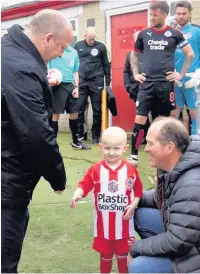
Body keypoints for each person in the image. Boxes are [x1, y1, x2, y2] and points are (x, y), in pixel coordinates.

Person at [1, 9, 73, 273]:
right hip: (6, 179)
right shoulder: (21, 67)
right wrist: (57, 177)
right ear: (48, 38)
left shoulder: (7, 50)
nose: (62, 54)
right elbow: (34, 133)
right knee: (4, 261)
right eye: (62, 47)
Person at [128, 117, 200, 273]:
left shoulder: (191, 184)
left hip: (194, 252)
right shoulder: (174, 164)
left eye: (151, 143)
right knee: (140, 213)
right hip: (189, 239)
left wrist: (135, 248)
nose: (146, 148)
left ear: (169, 148)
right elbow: (162, 197)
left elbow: (178, 241)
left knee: (139, 267)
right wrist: (133, 198)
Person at [128, 0, 194, 165]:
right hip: (147, 84)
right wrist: (136, 73)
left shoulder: (175, 34)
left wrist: (180, 74)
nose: (151, 18)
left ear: (164, 15)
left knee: (162, 122)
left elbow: (190, 54)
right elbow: (134, 55)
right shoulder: (144, 34)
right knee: (140, 118)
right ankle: (134, 154)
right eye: (150, 14)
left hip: (165, 85)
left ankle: (163, 156)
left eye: (155, 15)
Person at [70, 127, 143, 273]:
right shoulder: (95, 169)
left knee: (124, 258)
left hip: (124, 228)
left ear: (125, 148)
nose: (111, 152)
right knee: (105, 257)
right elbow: (84, 184)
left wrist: (134, 204)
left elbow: (138, 190)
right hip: (103, 229)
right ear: (100, 147)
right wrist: (77, 194)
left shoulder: (130, 169)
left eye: (116, 148)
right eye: (107, 148)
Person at [48, 46, 91, 150]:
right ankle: (52, 144)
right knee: (55, 115)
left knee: (74, 114)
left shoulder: (73, 52)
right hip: (57, 87)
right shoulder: (53, 49)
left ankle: (76, 142)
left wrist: (77, 87)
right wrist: (49, 78)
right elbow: (46, 67)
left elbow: (75, 71)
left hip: (70, 86)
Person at [74, 27, 111, 144]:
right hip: (82, 81)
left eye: (93, 39)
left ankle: (95, 136)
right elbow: (75, 64)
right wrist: (75, 82)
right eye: (90, 39)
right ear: (85, 35)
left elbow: (106, 64)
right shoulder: (77, 45)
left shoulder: (101, 46)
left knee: (97, 109)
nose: (92, 41)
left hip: (97, 81)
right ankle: (81, 134)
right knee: (79, 108)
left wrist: (108, 83)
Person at [172, 1, 200, 135]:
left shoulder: (197, 31)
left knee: (194, 113)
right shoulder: (170, 32)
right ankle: (177, 143)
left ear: (189, 14)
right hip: (175, 79)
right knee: (175, 112)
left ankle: (196, 143)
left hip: (192, 79)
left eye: (184, 13)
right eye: (178, 13)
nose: (181, 16)